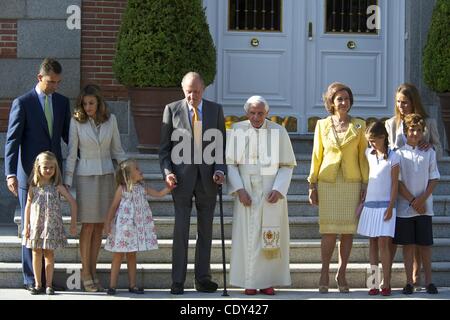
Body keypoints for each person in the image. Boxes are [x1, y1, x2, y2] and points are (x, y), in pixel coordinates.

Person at [4, 58, 71, 291]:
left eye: (58, 82)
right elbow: (12, 140)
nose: (55, 86)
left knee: (48, 227)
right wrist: (10, 173)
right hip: (29, 177)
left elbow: (68, 136)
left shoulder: (62, 102)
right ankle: (31, 280)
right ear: (39, 78)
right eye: (51, 81)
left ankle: (46, 280)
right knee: (30, 228)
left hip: (53, 177)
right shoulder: (22, 103)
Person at [159, 72, 226, 295]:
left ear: (203, 89)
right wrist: (168, 173)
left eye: (196, 91)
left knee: (206, 231)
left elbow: (220, 147)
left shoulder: (215, 110)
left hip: (208, 180)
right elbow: (164, 150)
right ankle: (177, 280)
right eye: (188, 91)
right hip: (181, 180)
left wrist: (219, 169)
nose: (192, 96)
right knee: (181, 231)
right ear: (182, 89)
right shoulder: (171, 109)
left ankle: (202, 279)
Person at [226, 96, 296, 295]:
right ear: (246, 113)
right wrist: (239, 189)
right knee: (247, 238)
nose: (256, 117)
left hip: (270, 192)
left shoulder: (278, 131)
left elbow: (287, 165)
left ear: (267, 113)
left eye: (260, 113)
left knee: (269, 238)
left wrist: (279, 188)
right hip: (246, 192)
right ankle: (248, 281)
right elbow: (230, 163)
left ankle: (267, 281)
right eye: (252, 113)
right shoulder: (238, 130)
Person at [64, 84, 126, 292]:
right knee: (88, 225)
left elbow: (118, 150)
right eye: (85, 103)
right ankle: (85, 271)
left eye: (91, 103)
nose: (88, 107)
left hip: (107, 175)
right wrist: (67, 181)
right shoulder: (76, 121)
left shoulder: (112, 120)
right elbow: (72, 153)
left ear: (99, 102)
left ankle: (93, 268)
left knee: (100, 225)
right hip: (85, 176)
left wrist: (127, 173)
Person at [308, 82, 369, 293]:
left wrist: (365, 183)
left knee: (348, 232)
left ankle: (342, 272)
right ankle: (324, 271)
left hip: (351, 183)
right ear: (331, 102)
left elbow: (363, 158)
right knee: (328, 232)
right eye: (339, 99)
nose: (344, 102)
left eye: (347, 99)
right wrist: (312, 184)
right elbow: (317, 155)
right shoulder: (322, 125)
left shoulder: (360, 125)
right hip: (328, 183)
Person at [385, 83, 443, 289]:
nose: (401, 106)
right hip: (399, 185)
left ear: (413, 101)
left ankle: (421, 278)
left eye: (405, 102)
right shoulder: (391, 124)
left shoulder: (427, 122)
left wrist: (431, 145)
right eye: (398, 102)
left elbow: (439, 151)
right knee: (399, 239)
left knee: (423, 242)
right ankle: (390, 279)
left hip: (422, 186)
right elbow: (387, 151)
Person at [104, 159, 173, 295]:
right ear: (128, 175)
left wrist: (169, 188)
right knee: (118, 254)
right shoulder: (122, 189)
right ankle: (112, 286)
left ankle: (133, 285)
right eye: (136, 168)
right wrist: (107, 223)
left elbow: (158, 194)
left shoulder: (142, 188)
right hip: (124, 229)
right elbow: (113, 207)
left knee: (132, 255)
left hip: (136, 229)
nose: (140, 170)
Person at [394, 113, 440, 295]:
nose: (415, 133)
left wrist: (421, 200)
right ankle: (409, 282)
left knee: (425, 246)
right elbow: (397, 183)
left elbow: (434, 178)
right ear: (406, 131)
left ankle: (429, 281)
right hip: (405, 208)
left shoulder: (429, 152)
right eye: (412, 129)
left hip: (424, 208)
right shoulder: (398, 154)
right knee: (408, 246)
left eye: (418, 130)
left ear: (423, 133)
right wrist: (413, 201)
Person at [22, 151, 77, 295]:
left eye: (51, 168)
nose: (48, 170)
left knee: (49, 254)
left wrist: (73, 223)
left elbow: (73, 202)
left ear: (55, 169)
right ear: (38, 167)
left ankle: (48, 285)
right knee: (36, 252)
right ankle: (38, 284)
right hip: (36, 226)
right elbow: (27, 206)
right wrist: (26, 225)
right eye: (45, 167)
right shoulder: (33, 186)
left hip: (50, 226)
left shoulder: (57, 186)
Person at [357, 121, 399, 296]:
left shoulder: (394, 157)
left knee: (384, 244)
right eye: (369, 140)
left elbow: (395, 185)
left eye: (374, 140)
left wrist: (391, 207)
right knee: (372, 243)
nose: (371, 144)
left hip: (386, 206)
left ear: (383, 137)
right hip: (370, 205)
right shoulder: (368, 153)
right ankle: (372, 283)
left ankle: (386, 283)